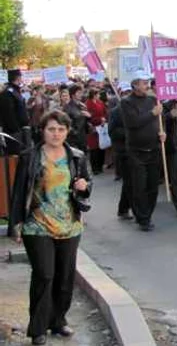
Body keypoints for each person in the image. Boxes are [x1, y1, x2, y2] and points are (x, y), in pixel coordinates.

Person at [10, 110, 91, 345]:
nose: (56, 134)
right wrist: (16, 223)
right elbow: (19, 192)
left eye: (61, 129)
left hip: (69, 225)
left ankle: (58, 321)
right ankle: (37, 328)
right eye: (51, 129)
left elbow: (85, 186)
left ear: (67, 131)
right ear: (43, 131)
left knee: (64, 277)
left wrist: (84, 185)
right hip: (37, 225)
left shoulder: (76, 156)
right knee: (44, 274)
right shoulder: (30, 156)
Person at [120, 70, 165, 232]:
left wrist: (162, 133)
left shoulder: (153, 100)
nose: (147, 86)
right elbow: (133, 122)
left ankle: (148, 213)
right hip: (136, 151)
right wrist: (152, 113)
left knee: (153, 185)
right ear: (135, 85)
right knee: (139, 186)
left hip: (153, 148)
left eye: (147, 83)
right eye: (144, 83)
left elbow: (160, 122)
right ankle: (142, 218)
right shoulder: (126, 103)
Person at [108, 84, 132, 219]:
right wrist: (130, 132)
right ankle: (124, 209)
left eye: (129, 92)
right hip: (124, 152)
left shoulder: (137, 108)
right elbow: (112, 131)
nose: (127, 95)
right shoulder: (116, 111)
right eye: (125, 93)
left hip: (139, 150)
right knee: (129, 182)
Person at [0, 69, 30, 155]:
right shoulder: (8, 93)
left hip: (20, 131)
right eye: (21, 76)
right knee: (15, 157)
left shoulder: (15, 91)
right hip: (14, 133)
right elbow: (8, 114)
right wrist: (16, 130)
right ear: (18, 77)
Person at [63, 85, 90, 152]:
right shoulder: (67, 107)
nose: (81, 94)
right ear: (73, 95)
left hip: (83, 137)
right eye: (79, 93)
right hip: (73, 140)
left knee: (84, 159)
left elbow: (86, 122)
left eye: (81, 92)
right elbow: (66, 124)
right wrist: (75, 133)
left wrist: (89, 117)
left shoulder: (82, 105)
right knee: (77, 159)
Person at [85, 89, 107, 175]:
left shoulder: (100, 102)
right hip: (93, 129)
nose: (99, 96)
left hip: (101, 127)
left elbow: (105, 112)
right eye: (97, 94)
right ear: (94, 95)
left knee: (102, 147)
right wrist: (98, 119)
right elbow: (89, 117)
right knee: (94, 149)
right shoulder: (88, 104)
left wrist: (104, 118)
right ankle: (95, 168)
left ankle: (100, 166)